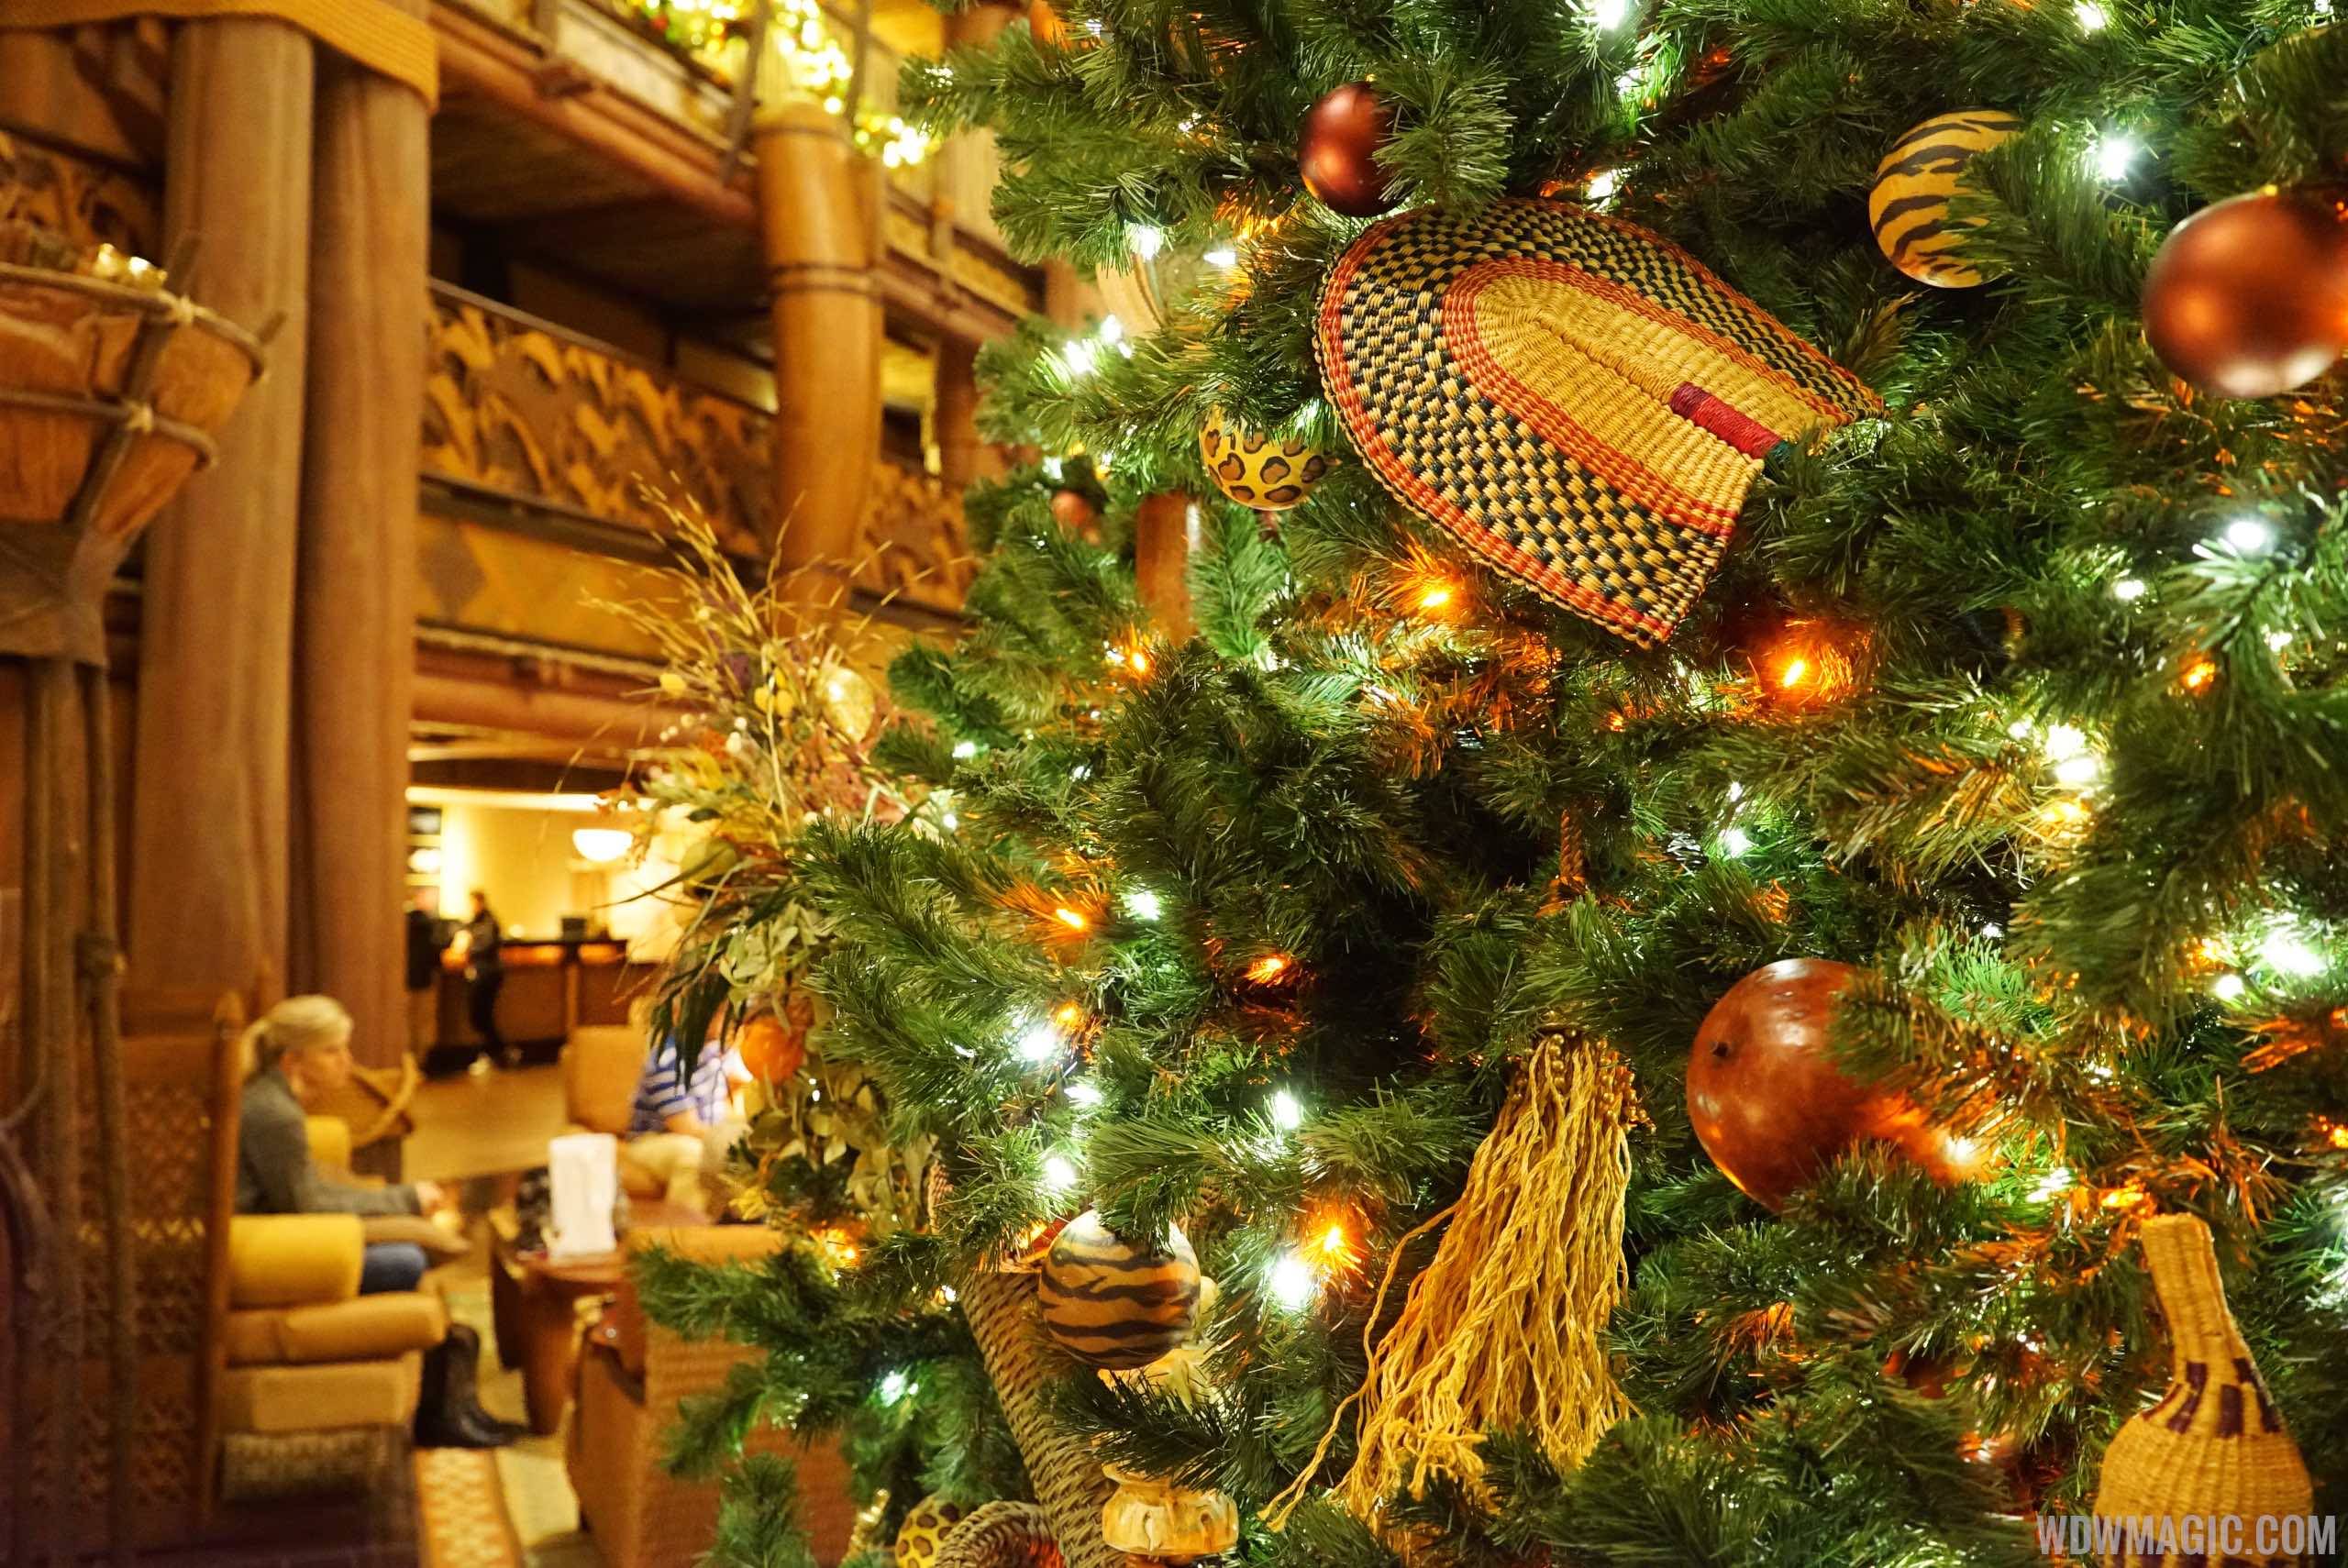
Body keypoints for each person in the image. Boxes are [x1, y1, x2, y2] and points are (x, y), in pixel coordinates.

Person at [237, 996, 519, 1447]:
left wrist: (398, 1200)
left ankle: (449, 1398)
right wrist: (402, 1199)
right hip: (274, 1254)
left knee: (411, 1258)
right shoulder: (274, 1114)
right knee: (406, 1261)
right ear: (294, 1060)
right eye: (332, 1051)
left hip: (284, 1237)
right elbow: (307, 1205)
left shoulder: (272, 1100)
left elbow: (308, 1191)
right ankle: (441, 1410)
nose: (346, 1063)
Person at [625, 1022, 746, 1213]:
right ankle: (684, 1234)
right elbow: (687, 1127)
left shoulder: (720, 1050)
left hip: (709, 1134)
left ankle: (736, 1234)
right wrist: (733, 1141)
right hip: (654, 1140)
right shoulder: (667, 1060)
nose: (727, 1020)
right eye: (718, 1012)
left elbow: (743, 1082)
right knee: (693, 1156)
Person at [450, 889, 512, 1068]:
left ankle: (497, 1052)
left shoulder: (488, 923)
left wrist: (467, 948)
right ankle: (496, 1052)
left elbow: (484, 945)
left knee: (481, 1015)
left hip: (487, 974)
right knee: (481, 1016)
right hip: (483, 972)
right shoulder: (477, 923)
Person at [404, 890, 442, 1063]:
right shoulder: (430, 926)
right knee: (423, 1021)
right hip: (424, 979)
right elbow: (435, 956)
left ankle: (408, 1058)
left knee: (407, 1020)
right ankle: (420, 1059)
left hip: (406, 979)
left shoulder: (403, 924)